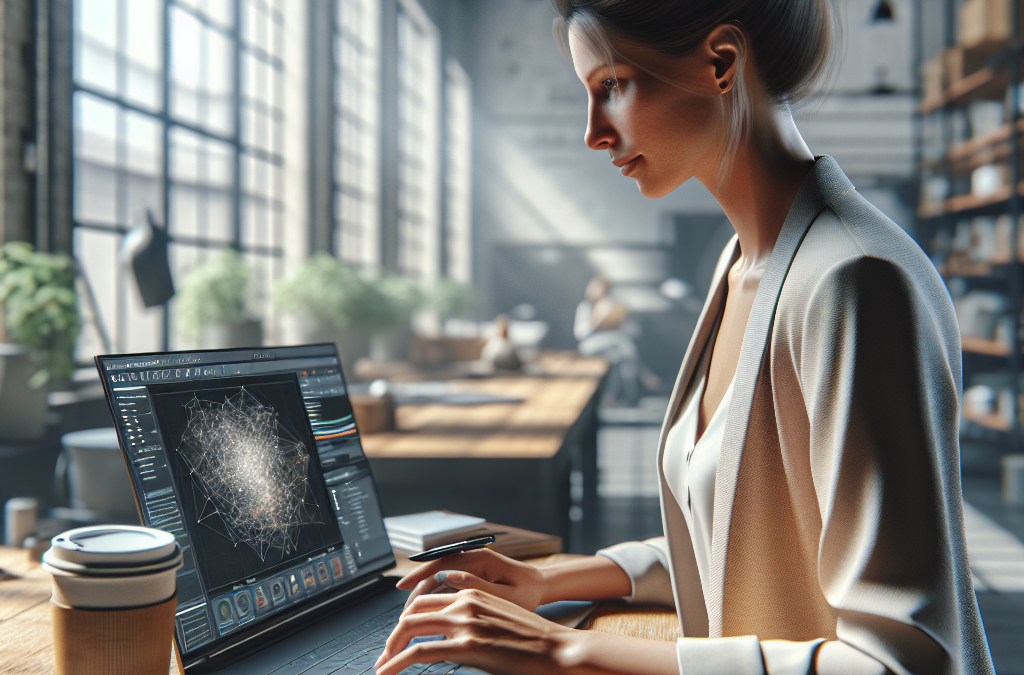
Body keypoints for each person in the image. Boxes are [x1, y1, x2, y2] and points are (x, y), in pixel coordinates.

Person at [375, 1, 994, 673]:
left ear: (721, 64)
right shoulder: (739, 264)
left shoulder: (856, 281)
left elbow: (905, 662)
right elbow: (738, 537)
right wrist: (551, 581)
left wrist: (564, 647)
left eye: (611, 86)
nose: (593, 133)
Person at [574, 277, 658, 404]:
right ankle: (643, 378)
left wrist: (619, 321)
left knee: (619, 358)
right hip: (589, 345)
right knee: (622, 342)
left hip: (611, 347)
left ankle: (615, 397)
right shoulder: (585, 307)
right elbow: (580, 333)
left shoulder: (611, 304)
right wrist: (596, 321)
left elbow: (633, 331)